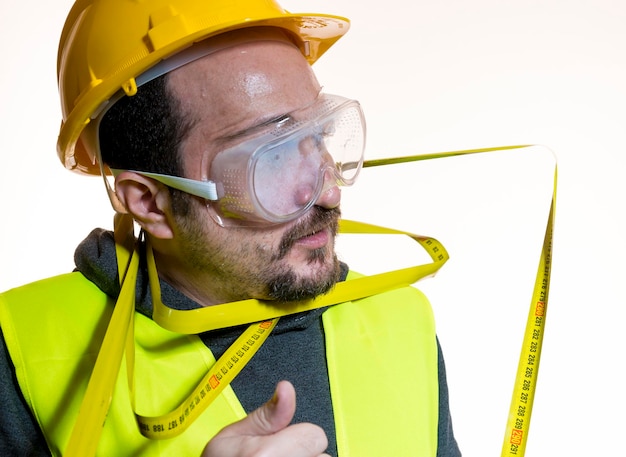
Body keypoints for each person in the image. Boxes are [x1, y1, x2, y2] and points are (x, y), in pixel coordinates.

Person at [0, 0, 461, 455]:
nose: (329, 194)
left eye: (317, 137)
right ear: (149, 203)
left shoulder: (402, 320)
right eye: (271, 159)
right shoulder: (24, 351)